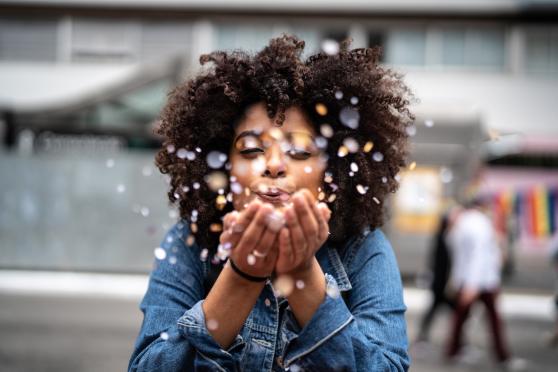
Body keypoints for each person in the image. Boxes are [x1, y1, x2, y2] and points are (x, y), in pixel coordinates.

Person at [128, 35, 414, 371]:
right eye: (251, 150)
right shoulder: (187, 243)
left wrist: (303, 276)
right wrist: (241, 276)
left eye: (299, 152)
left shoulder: (365, 249)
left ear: (330, 175)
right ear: (223, 168)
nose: (274, 164)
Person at [445, 198, 511, 365]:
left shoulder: (465, 222)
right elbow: (477, 256)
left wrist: (460, 281)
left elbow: (456, 251)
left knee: (462, 317)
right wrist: (471, 285)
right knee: (491, 319)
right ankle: (502, 356)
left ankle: (454, 351)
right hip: (481, 281)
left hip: (471, 279)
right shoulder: (479, 223)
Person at [415, 208, 457, 343]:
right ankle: (455, 340)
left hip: (441, 283)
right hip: (441, 284)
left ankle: (454, 339)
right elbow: (441, 263)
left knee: (437, 311)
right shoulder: (444, 238)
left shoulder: (444, 236)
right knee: (450, 311)